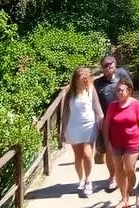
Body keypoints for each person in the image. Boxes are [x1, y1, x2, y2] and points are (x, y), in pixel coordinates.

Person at [102, 77, 139, 208]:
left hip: (132, 142)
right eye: (117, 90)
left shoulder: (136, 105)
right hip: (116, 143)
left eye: (121, 90)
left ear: (128, 91)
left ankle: (131, 185)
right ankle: (124, 198)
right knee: (118, 170)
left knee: (129, 169)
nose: (119, 93)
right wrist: (107, 142)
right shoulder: (112, 106)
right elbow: (106, 124)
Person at [59, 67, 103, 197]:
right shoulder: (69, 93)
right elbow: (65, 113)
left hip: (89, 126)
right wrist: (62, 131)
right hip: (73, 127)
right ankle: (81, 179)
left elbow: (97, 107)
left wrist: (102, 122)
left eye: (87, 78)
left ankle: (89, 180)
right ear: (76, 79)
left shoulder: (91, 89)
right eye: (82, 78)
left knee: (87, 154)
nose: (85, 80)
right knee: (78, 156)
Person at [94, 54, 134, 191]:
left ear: (115, 63)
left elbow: (130, 91)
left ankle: (124, 174)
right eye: (105, 65)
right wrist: (99, 116)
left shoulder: (122, 74)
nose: (109, 66)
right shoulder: (97, 84)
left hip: (124, 118)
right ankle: (112, 176)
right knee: (109, 150)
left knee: (125, 148)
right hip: (107, 121)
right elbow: (95, 102)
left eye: (111, 63)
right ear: (102, 68)